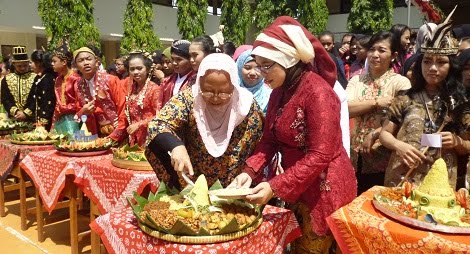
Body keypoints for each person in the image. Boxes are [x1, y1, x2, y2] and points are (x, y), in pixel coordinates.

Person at [229, 16, 356, 253]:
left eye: (267, 65)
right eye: (258, 64)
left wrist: (274, 186)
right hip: (295, 184)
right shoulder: (280, 90)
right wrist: (249, 172)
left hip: (324, 189)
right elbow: (269, 140)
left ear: (287, 61)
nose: (261, 73)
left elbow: (321, 155)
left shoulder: (318, 93)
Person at [145, 53, 264, 188]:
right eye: (207, 91)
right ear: (199, 84)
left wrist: (249, 172)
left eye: (224, 92)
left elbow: (262, 145)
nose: (215, 98)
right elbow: (159, 124)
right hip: (193, 186)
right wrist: (176, 146)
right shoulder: (190, 98)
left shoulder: (246, 107)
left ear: (234, 87)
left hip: (234, 187)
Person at [380, 17, 468, 189]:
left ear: (452, 67)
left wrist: (458, 142)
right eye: (427, 61)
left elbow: (467, 145)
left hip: (439, 185)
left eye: (441, 62)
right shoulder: (405, 97)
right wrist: (399, 146)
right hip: (401, 178)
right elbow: (384, 134)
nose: (432, 68)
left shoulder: (459, 102)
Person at [347, 31, 412, 194]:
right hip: (354, 155)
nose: (375, 54)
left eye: (382, 50)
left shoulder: (401, 83)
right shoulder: (357, 80)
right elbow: (346, 109)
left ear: (393, 55)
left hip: (383, 157)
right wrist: (376, 103)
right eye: (372, 49)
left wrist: (376, 134)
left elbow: (403, 120)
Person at [73, 47, 127, 142]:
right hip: (94, 136)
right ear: (76, 66)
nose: (85, 63)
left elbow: (124, 108)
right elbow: (78, 113)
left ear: (97, 61)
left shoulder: (111, 80)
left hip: (117, 134)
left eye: (89, 59)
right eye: (81, 60)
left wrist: (114, 136)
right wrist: (83, 111)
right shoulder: (78, 85)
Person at [125, 52, 161, 146]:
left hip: (150, 138)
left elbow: (159, 116)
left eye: (139, 68)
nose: (136, 72)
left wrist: (139, 124)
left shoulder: (154, 89)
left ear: (148, 69)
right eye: (132, 69)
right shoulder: (130, 88)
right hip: (134, 138)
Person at [50, 41, 81, 135]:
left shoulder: (76, 79)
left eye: (54, 61)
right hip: (60, 118)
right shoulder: (58, 79)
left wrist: (64, 108)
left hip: (74, 119)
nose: (52, 64)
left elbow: (79, 103)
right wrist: (53, 123)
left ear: (64, 62)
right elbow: (57, 103)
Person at [1, 46, 36, 121]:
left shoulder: (35, 78)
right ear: (13, 64)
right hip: (13, 119)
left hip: (32, 118)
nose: (23, 68)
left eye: (25, 65)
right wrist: (16, 112)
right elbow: (5, 99)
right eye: (19, 66)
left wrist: (26, 113)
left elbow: (36, 98)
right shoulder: (6, 79)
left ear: (28, 63)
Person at [26, 50, 57, 130]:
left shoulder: (48, 79)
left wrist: (43, 122)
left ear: (39, 63)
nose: (30, 65)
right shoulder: (42, 77)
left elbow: (48, 102)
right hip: (39, 120)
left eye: (32, 62)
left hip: (46, 122)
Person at [159, 40, 195, 106]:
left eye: (179, 59)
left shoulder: (195, 81)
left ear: (190, 60)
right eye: (172, 59)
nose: (174, 63)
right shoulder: (167, 82)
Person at [236, 49, 272, 114]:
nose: (252, 73)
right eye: (247, 68)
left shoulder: (270, 96)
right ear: (239, 68)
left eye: (258, 68)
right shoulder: (231, 93)